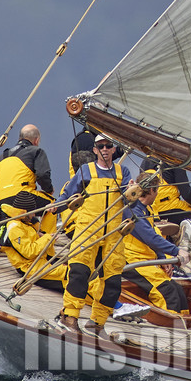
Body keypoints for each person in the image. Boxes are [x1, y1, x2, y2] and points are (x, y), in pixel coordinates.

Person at [55, 135, 130, 335]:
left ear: (114, 150)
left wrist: (134, 195)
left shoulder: (123, 174)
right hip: (88, 231)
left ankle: (97, 323)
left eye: (108, 146)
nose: (104, 149)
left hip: (113, 233)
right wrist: (55, 207)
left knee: (112, 281)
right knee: (79, 273)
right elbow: (68, 195)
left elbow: (130, 203)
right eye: (100, 146)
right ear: (95, 150)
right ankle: (69, 317)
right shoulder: (85, 171)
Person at [121, 181, 188, 314]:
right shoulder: (133, 211)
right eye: (157, 191)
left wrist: (163, 259)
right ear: (151, 191)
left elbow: (154, 233)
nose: (158, 194)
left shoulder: (148, 209)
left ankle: (186, 323)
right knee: (168, 292)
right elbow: (150, 238)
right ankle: (173, 325)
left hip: (147, 259)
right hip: (131, 259)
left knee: (178, 290)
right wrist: (177, 251)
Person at [0, 124, 56, 233]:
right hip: (22, 199)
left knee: (29, 219)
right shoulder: (35, 151)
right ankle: (48, 240)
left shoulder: (0, 158)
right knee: (52, 205)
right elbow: (42, 174)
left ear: (20, 138)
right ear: (37, 140)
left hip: (2, 206)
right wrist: (48, 189)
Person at [0, 214, 69, 292]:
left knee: (76, 268)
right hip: (31, 268)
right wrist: (48, 238)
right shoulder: (15, 228)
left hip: (42, 261)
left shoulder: (25, 223)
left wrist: (40, 236)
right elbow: (29, 252)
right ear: (26, 211)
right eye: (32, 212)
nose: (34, 215)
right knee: (74, 275)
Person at [140, 156, 191, 233]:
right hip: (171, 209)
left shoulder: (146, 160)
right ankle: (190, 224)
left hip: (152, 211)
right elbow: (187, 194)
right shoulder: (176, 160)